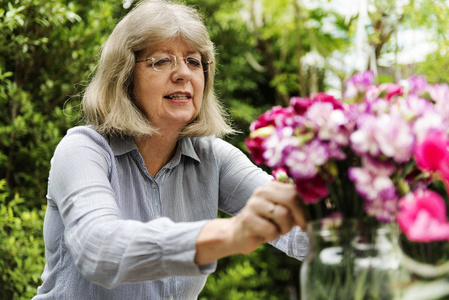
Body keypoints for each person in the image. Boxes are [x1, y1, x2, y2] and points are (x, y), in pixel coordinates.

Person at [33, 0, 309, 299]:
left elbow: (298, 231)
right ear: (125, 76)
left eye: (193, 61)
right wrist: (230, 234)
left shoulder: (213, 157)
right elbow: (101, 251)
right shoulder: (82, 150)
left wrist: (344, 199)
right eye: (161, 61)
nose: (183, 74)